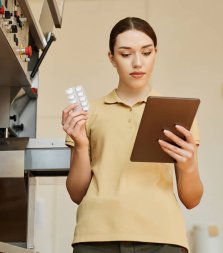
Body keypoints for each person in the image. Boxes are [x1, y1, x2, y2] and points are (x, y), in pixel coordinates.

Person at [61, 17, 204, 253]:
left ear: (155, 53)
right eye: (126, 54)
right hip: (96, 236)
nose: (137, 63)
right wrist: (80, 145)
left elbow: (192, 199)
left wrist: (188, 165)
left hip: (162, 236)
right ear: (112, 58)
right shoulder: (89, 113)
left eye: (146, 53)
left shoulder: (178, 114)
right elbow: (77, 193)